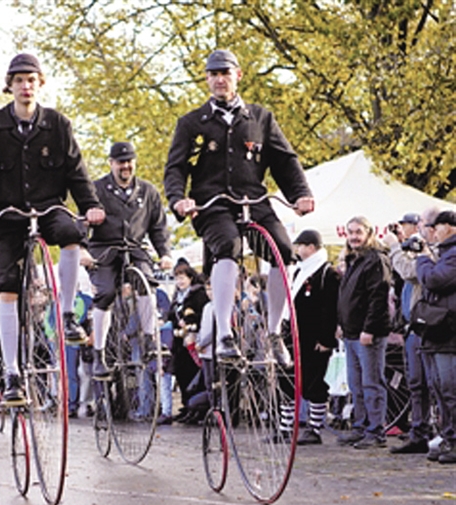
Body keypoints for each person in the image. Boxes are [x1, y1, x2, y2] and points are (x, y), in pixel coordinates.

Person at [0, 53, 105, 403]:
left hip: (48, 207)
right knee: (8, 286)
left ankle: (66, 313)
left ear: (40, 84)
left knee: (71, 234)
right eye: (19, 81)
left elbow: (76, 171)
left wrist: (90, 205)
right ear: (9, 86)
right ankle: (12, 374)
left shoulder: (57, 124)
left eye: (31, 80)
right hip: (6, 216)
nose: (25, 86)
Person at [163, 48, 314, 364]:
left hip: (252, 199)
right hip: (212, 204)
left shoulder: (260, 118)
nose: (219, 80)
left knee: (283, 251)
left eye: (225, 73)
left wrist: (300, 194)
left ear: (238, 76)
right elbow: (175, 168)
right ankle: (224, 334)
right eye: (213, 74)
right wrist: (178, 199)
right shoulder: (192, 123)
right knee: (228, 245)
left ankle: (274, 332)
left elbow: (285, 161)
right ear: (207, 79)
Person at [80, 141, 172, 379]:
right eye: (120, 162)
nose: (125, 166)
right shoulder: (96, 190)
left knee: (147, 282)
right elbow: (81, 222)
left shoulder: (148, 191)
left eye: (129, 161)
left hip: (135, 247)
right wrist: (82, 249)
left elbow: (158, 227)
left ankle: (150, 339)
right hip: (104, 250)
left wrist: (165, 253)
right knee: (105, 293)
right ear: (111, 163)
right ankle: (99, 353)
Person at [336, 216, 392, 449]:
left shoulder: (375, 260)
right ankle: (360, 426)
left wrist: (369, 329)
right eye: (350, 232)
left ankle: (375, 430)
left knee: (371, 384)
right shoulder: (354, 260)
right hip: (351, 333)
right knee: (356, 384)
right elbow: (347, 296)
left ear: (369, 233)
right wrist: (341, 324)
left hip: (368, 334)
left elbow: (378, 297)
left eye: (358, 232)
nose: (354, 236)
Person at [381, 213, 434, 454]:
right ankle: (419, 432)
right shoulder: (418, 250)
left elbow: (409, 272)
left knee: (434, 384)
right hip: (412, 326)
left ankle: (437, 433)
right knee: (415, 383)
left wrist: (395, 246)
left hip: (428, 326)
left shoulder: (434, 253)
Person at [287, 230, 340, 445]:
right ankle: (286, 426)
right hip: (296, 336)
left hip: (315, 338)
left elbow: (330, 309)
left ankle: (314, 428)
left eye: (300, 246)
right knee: (288, 380)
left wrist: (326, 339)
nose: (297, 250)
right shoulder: (300, 271)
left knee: (314, 382)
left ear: (310, 247)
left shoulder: (327, 273)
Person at [415, 210, 456, 464]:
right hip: (439, 331)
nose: (433, 232)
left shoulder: (452, 254)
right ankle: (448, 437)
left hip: (449, 332)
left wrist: (422, 259)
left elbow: (433, 280)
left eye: (435, 227)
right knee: (440, 388)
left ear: (449, 227)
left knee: (450, 388)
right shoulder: (445, 253)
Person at [167, 260, 208, 423]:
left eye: (182, 278)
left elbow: (202, 314)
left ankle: (196, 409)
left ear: (190, 278)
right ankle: (186, 407)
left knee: (193, 376)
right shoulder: (177, 296)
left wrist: (190, 321)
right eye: (177, 278)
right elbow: (171, 315)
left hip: (193, 339)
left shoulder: (198, 294)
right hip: (179, 341)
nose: (180, 282)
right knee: (181, 375)